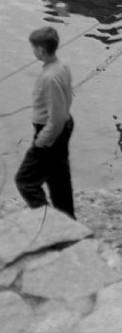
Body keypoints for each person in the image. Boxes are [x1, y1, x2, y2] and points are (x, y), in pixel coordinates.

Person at [15, 26, 75, 219]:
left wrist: (41, 141)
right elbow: (66, 98)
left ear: (41, 50)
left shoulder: (49, 77)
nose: (33, 51)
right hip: (65, 124)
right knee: (58, 178)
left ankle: (49, 223)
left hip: (51, 132)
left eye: (33, 48)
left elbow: (55, 120)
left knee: (25, 181)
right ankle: (68, 220)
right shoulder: (61, 65)